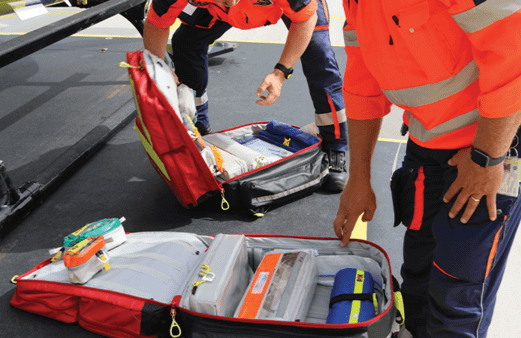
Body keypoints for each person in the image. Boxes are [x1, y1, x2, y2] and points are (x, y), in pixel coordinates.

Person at [333, 0, 521, 337]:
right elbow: (362, 84)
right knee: (418, 280)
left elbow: (515, 55)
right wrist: (358, 179)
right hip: (428, 145)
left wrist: (487, 157)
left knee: (456, 299)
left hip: (493, 146)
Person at [143, 0, 348, 191]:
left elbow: (305, 19)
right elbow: (157, 23)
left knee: (319, 55)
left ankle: (335, 146)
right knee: (186, 42)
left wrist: (280, 72)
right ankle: (197, 126)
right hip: (222, 13)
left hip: (285, 8)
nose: (230, 3)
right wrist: (159, 69)